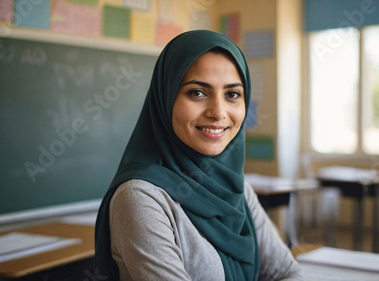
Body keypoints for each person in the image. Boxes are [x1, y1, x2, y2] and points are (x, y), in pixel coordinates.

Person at [94, 30, 303, 281]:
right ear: (166, 97)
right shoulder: (141, 197)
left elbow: (286, 272)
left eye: (232, 94)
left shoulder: (236, 188)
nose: (218, 112)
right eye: (197, 92)